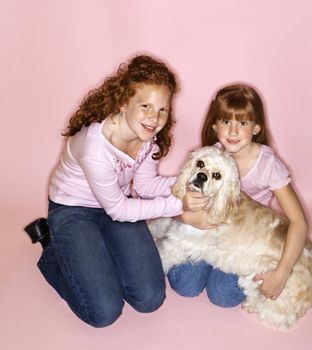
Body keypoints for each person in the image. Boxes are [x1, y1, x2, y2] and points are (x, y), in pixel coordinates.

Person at [24, 54, 194, 328]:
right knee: (104, 311)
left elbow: (147, 186)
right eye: (146, 106)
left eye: (162, 109)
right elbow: (120, 210)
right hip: (73, 210)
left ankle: (96, 254)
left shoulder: (148, 137)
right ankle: (51, 249)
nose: (155, 117)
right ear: (124, 102)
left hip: (117, 207)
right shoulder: (95, 147)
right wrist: (180, 204)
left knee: (150, 298)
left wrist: (188, 185)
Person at [169, 83, 308, 307]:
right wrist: (184, 217)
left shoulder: (268, 165)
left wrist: (282, 272)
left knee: (223, 295)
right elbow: (177, 198)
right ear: (215, 126)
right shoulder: (208, 157)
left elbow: (299, 222)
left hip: (242, 240)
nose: (233, 132)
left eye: (242, 123)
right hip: (207, 231)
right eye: (226, 122)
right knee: (184, 284)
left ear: (256, 128)